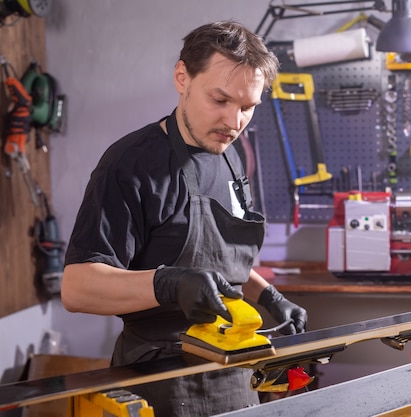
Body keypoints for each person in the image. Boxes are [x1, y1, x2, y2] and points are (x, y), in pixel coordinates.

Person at [61, 20, 307, 416]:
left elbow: (219, 261)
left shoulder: (232, 153)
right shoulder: (130, 164)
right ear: (182, 77)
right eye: (220, 100)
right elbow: (77, 287)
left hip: (234, 373)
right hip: (160, 379)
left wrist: (269, 297)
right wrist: (168, 282)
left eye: (247, 107)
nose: (234, 122)